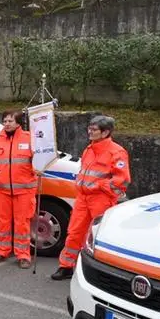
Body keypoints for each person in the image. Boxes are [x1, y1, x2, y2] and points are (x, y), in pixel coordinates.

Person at [52, 115, 131, 281]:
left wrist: (99, 187)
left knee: (97, 236)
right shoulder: (89, 149)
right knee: (74, 232)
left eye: (94, 129)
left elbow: (122, 180)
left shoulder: (116, 152)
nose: (90, 131)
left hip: (101, 199)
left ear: (106, 132)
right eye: (90, 128)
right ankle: (66, 266)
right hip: (83, 197)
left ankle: (97, 271)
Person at [0, 110, 38, 268]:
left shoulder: (30, 139)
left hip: (24, 191)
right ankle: (2, 251)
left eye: (10, 121)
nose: (7, 124)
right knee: (2, 223)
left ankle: (23, 255)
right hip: (1, 190)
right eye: (5, 121)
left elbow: (40, 160)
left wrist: (37, 169)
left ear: (18, 123)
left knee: (22, 224)